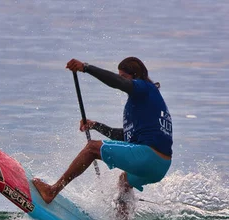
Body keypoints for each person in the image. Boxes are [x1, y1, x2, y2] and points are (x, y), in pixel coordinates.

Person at [32, 57, 173, 211]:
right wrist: (96, 125)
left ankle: (51, 191)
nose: (121, 80)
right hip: (161, 166)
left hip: (149, 157)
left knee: (92, 148)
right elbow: (123, 136)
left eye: (123, 76)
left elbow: (119, 83)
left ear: (135, 76)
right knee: (124, 182)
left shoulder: (144, 88)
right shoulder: (145, 101)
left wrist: (86, 68)